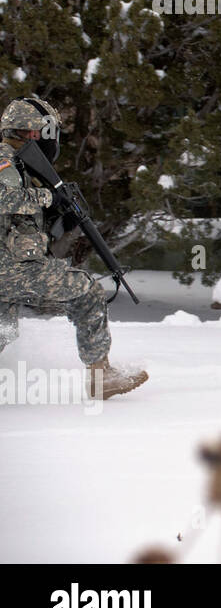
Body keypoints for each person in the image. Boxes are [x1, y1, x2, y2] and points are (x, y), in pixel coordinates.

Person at [0, 95, 148, 399]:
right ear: (33, 132)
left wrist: (57, 215)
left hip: (12, 267)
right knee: (88, 291)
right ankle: (101, 376)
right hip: (10, 269)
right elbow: (4, 199)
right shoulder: (4, 158)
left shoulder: (21, 165)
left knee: (5, 330)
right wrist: (49, 199)